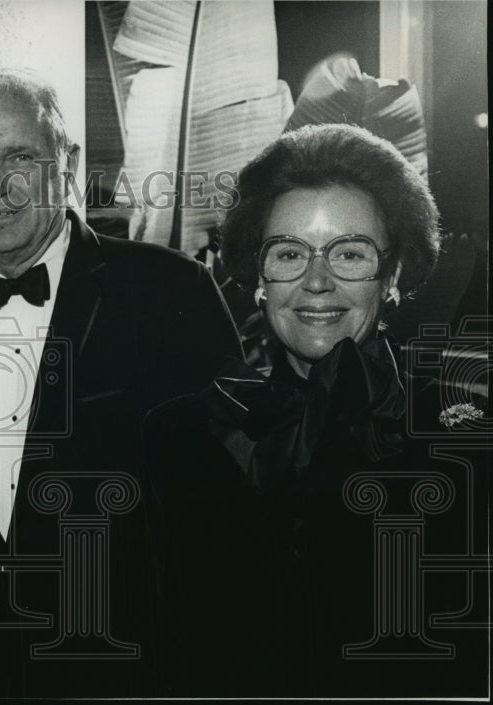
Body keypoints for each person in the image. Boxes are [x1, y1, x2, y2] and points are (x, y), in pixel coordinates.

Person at [0, 73, 241, 698]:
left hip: (133, 670)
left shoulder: (169, 292)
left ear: (69, 163)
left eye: (19, 158)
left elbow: (223, 524)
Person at [146, 123, 487, 696]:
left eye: (350, 253)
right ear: (258, 278)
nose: (317, 281)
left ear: (394, 274)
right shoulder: (184, 436)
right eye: (289, 253)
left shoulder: (467, 442)